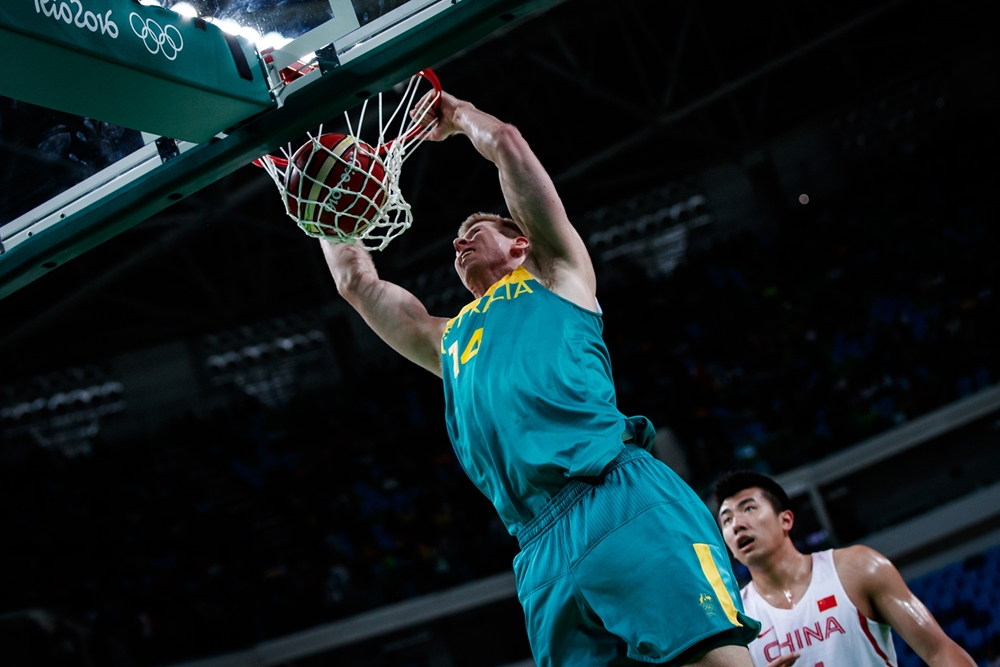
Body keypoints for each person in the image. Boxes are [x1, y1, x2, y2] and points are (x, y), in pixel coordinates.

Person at [318, 90, 760, 665]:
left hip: (616, 496)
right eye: (456, 240)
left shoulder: (557, 275)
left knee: (714, 660)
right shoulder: (448, 342)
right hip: (538, 549)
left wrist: (456, 118)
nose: (459, 241)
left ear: (520, 243)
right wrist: (324, 209)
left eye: (476, 230)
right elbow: (358, 285)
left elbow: (507, 146)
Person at [715, 470, 977, 667]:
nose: (736, 524)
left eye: (748, 508)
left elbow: (939, 651)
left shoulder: (857, 567)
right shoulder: (734, 621)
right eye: (726, 520)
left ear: (786, 520)